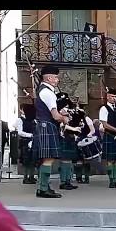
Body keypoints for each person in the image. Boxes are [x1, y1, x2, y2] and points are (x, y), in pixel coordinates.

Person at [33, 65, 68, 198]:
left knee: (46, 159)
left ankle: (44, 187)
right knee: (48, 158)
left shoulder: (43, 91)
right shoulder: (48, 92)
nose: (57, 80)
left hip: (44, 125)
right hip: (47, 125)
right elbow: (55, 116)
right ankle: (42, 189)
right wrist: (65, 119)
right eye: (55, 77)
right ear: (49, 78)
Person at [15, 103, 37, 184]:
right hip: (25, 141)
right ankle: (25, 177)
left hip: (33, 141)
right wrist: (30, 135)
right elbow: (20, 132)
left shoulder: (33, 120)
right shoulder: (20, 120)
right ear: (21, 110)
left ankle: (31, 176)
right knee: (26, 161)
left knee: (33, 160)